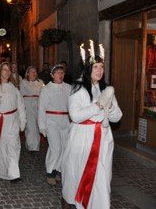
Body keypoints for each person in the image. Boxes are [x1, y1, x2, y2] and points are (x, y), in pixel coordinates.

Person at [61, 55, 122, 209]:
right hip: (83, 136)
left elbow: (117, 117)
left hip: (103, 137)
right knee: (77, 171)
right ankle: (71, 198)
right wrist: (98, 106)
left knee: (102, 175)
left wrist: (110, 108)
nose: (100, 70)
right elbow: (75, 116)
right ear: (88, 68)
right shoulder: (78, 88)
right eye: (96, 67)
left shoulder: (107, 89)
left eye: (102, 67)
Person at [38, 64, 71, 185]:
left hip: (65, 120)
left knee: (64, 147)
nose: (60, 75)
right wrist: (42, 126)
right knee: (55, 147)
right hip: (51, 121)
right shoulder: (46, 89)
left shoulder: (68, 88)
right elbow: (41, 108)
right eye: (58, 73)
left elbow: (73, 105)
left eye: (62, 72)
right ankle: (50, 172)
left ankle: (59, 170)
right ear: (52, 75)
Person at [20, 66, 44, 152]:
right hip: (28, 104)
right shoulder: (24, 82)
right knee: (30, 125)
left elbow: (43, 93)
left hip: (38, 103)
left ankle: (36, 145)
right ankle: (31, 146)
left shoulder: (40, 82)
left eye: (35, 71)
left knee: (37, 124)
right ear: (28, 73)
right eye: (31, 72)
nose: (34, 73)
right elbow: (21, 95)